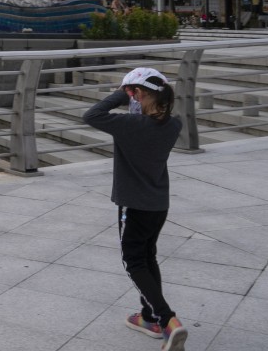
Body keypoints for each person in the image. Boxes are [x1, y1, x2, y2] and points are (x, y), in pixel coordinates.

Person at [82, 67, 188, 351]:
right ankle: (150, 317)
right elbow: (153, 116)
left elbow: (90, 116)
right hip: (158, 205)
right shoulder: (173, 125)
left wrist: (119, 94)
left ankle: (168, 320)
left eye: (132, 94)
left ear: (137, 94)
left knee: (133, 261)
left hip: (134, 205)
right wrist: (134, 93)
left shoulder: (129, 125)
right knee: (148, 256)